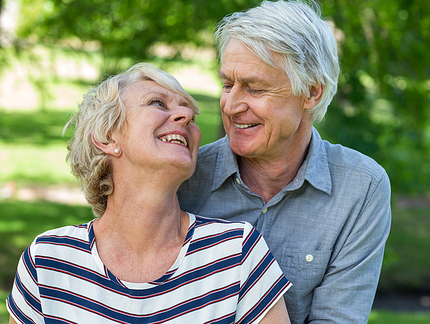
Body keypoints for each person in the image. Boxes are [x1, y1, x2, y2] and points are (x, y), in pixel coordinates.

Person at [7, 63, 291, 323]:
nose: (187, 116)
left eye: (188, 112)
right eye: (157, 103)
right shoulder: (48, 262)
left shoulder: (237, 253)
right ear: (107, 137)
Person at [178, 0, 391, 323]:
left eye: (254, 88)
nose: (231, 106)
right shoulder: (182, 176)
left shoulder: (361, 189)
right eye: (227, 84)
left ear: (311, 92)